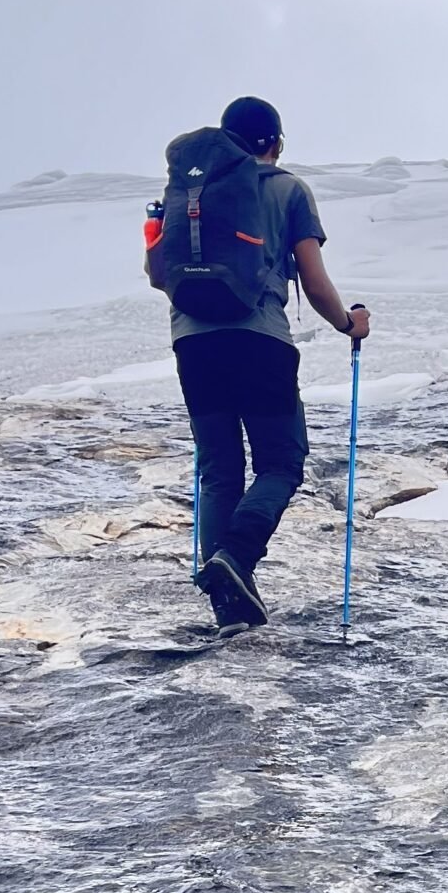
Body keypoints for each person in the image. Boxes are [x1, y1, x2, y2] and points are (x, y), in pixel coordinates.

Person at [166, 96, 370, 629]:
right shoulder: (287, 189)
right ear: (275, 143)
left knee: (219, 470)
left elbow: (155, 272)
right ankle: (236, 556)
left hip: (193, 343)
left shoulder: (190, 192)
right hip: (260, 342)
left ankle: (229, 606)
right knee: (281, 462)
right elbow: (313, 279)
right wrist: (349, 324)